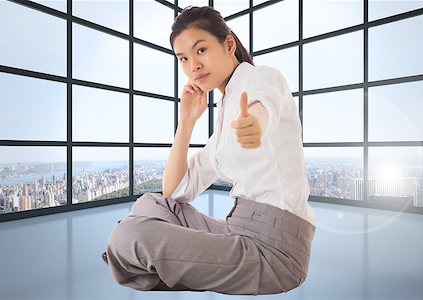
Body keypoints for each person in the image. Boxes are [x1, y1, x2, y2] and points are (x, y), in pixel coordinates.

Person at [103, 5, 316, 295]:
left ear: (228, 44)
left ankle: (152, 260)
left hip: (276, 252)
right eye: (184, 59)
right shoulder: (224, 118)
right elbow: (173, 192)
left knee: (129, 236)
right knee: (153, 203)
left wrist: (253, 125)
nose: (194, 65)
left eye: (200, 50)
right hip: (237, 231)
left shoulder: (262, 78)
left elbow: (262, 105)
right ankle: (168, 261)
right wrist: (186, 122)